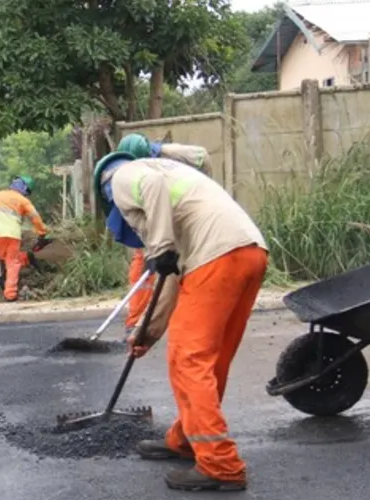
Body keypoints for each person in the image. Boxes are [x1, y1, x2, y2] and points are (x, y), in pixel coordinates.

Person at [94, 150, 268, 492]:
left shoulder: (122, 175)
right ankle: (188, 439)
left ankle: (221, 463)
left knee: (189, 360)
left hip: (216, 257)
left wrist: (158, 248)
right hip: (248, 253)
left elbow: (153, 189)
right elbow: (169, 280)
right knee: (210, 361)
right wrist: (147, 333)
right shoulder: (174, 182)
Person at [115, 133, 213, 335]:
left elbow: (202, 156)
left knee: (174, 265)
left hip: (185, 211)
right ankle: (139, 319)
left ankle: (147, 321)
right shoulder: (141, 171)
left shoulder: (169, 158)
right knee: (146, 259)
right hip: (162, 211)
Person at [0, 176, 47, 301]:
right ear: (24, 188)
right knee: (12, 263)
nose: (27, 195)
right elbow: (35, 218)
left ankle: (10, 274)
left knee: (6, 259)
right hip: (12, 235)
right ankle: (10, 294)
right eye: (27, 192)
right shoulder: (23, 201)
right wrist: (42, 232)